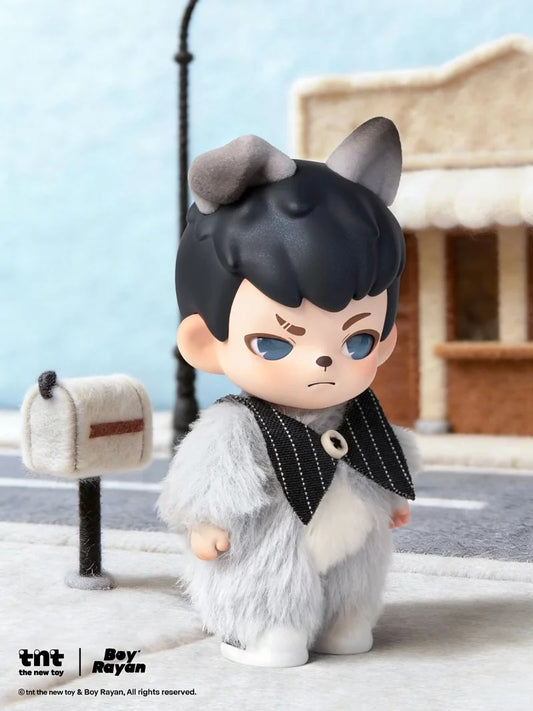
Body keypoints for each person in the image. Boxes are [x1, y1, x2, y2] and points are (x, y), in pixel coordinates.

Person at [158, 117, 419, 667]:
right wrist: (205, 524)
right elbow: (206, 480)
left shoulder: (359, 414)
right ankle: (270, 633)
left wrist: (391, 499)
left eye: (358, 340)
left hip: (351, 537)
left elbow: (386, 453)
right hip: (272, 540)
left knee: (357, 579)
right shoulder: (239, 423)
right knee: (268, 576)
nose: (323, 361)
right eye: (275, 344)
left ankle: (347, 623)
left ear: (386, 340)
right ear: (204, 343)